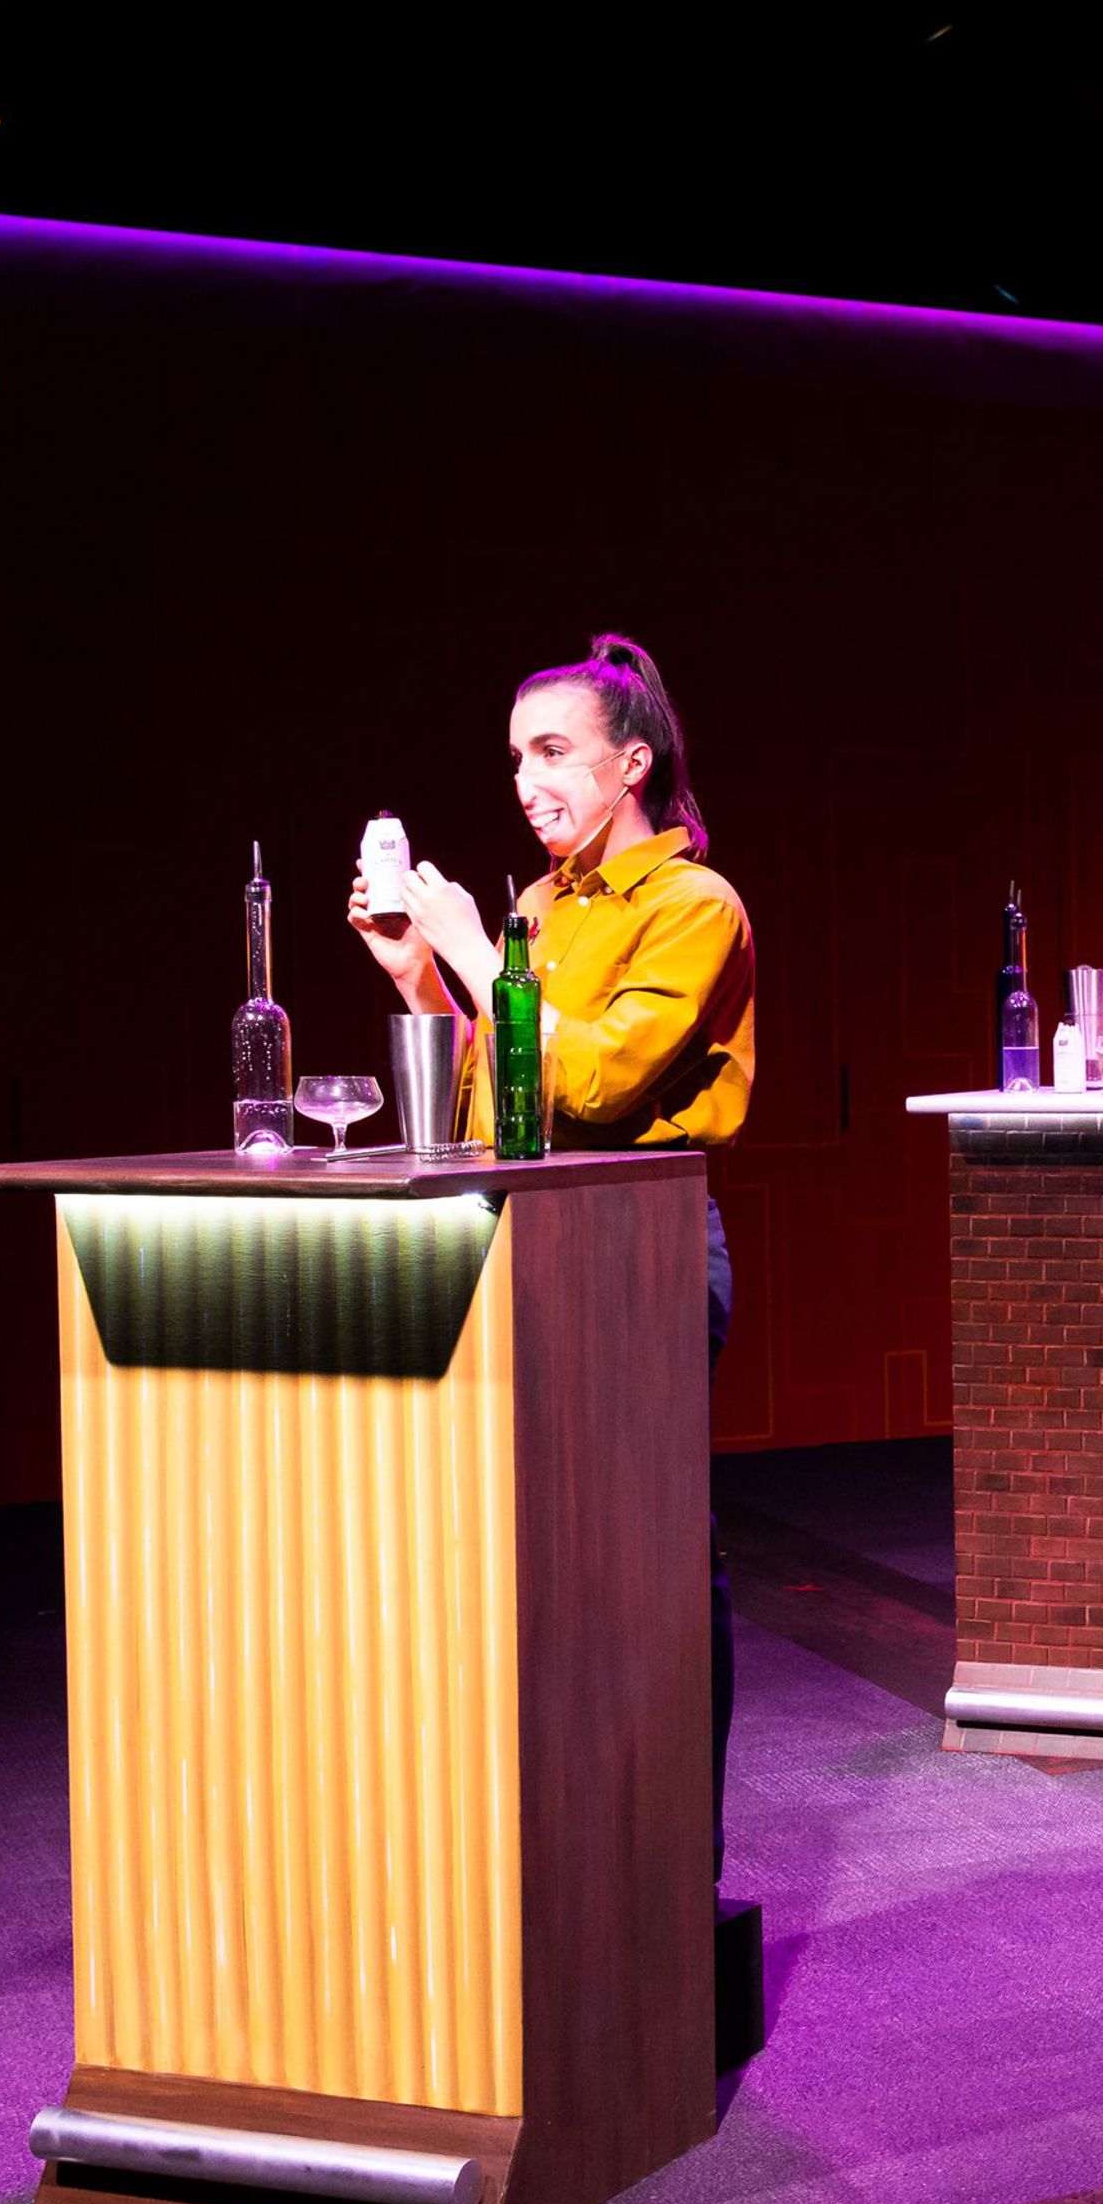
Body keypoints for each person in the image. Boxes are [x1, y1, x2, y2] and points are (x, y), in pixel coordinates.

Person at [347, 631, 757, 1860]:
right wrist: (427, 978)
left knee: (651, 1559)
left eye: (553, 751)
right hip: (528, 1236)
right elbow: (506, 1098)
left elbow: (600, 1080)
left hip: (639, 1240)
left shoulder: (696, 907)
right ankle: (563, 1846)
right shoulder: (538, 905)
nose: (528, 781)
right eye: (516, 757)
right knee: (538, 1561)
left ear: (632, 762)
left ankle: (674, 1856)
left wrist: (479, 955)